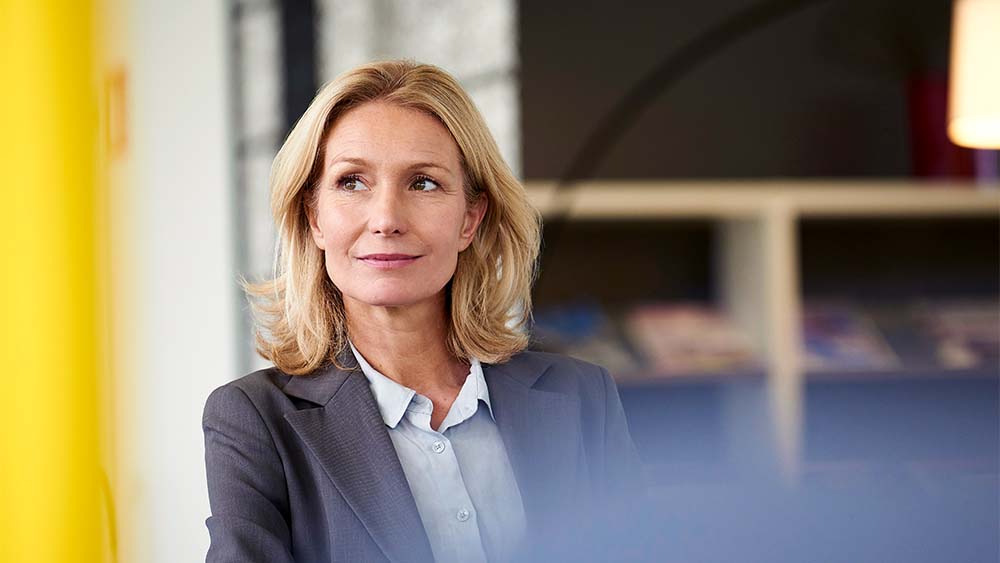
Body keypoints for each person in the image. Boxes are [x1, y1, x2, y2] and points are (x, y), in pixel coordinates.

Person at [202, 59, 646, 563]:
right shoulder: (255, 420)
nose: (387, 218)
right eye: (352, 182)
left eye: (424, 183)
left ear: (470, 220)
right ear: (314, 217)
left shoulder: (584, 395)